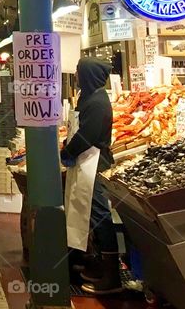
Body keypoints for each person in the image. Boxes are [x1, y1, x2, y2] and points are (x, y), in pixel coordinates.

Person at [61, 57, 120, 295]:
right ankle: (91, 263)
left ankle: (112, 276)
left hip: (94, 162)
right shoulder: (89, 96)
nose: (75, 75)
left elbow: (88, 134)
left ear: (88, 75)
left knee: (98, 214)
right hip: (86, 161)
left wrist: (67, 150)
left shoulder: (97, 102)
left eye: (78, 71)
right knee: (85, 211)